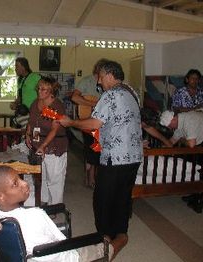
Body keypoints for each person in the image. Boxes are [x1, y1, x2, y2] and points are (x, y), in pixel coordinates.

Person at [58, 60, 143, 261]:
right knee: (122, 196)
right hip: (134, 155)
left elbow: (94, 123)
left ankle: (104, 239)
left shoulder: (110, 94)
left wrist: (71, 122)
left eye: (100, 77)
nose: (99, 81)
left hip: (115, 156)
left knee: (102, 198)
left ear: (109, 75)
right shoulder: (132, 92)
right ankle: (120, 233)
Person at [0, 166, 111, 261]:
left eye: (20, 179)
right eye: (15, 184)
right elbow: (63, 243)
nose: (24, 184)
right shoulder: (36, 215)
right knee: (113, 241)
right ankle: (117, 240)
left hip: (18, 256)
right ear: (0, 196)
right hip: (59, 257)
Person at [26, 76, 68, 205]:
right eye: (38, 88)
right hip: (38, 143)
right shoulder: (35, 103)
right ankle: (43, 201)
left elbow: (54, 130)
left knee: (54, 178)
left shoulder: (56, 107)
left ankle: (55, 205)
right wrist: (28, 134)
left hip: (53, 145)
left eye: (43, 89)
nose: (39, 91)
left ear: (51, 91)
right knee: (41, 176)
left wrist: (43, 146)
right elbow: (31, 121)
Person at [71, 58, 109, 188]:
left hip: (103, 122)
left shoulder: (108, 84)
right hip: (88, 119)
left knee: (100, 149)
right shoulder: (86, 81)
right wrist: (93, 104)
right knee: (91, 148)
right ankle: (90, 177)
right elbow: (74, 97)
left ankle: (96, 176)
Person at [10, 57, 41, 128]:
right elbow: (20, 98)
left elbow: (46, 88)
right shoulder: (20, 80)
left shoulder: (35, 77)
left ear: (23, 67)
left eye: (17, 66)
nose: (15, 69)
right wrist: (15, 103)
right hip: (23, 112)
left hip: (33, 113)